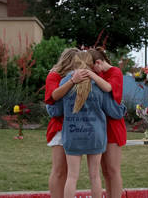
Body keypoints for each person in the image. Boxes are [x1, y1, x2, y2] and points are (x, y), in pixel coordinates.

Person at [47, 51, 127, 198]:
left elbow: (56, 110)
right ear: (91, 64)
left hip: (72, 134)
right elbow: (113, 111)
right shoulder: (98, 83)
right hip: (95, 134)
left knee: (71, 177)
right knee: (95, 177)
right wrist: (123, 109)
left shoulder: (65, 81)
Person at [45, 48, 89, 198]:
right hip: (59, 127)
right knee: (59, 170)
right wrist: (72, 81)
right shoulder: (54, 75)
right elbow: (52, 97)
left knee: (71, 173)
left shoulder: (80, 75)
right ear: (70, 61)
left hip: (76, 127)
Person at [88, 47, 125, 198]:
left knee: (113, 169)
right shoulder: (100, 73)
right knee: (104, 171)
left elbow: (108, 87)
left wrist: (91, 75)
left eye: (93, 68)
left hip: (113, 126)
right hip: (100, 126)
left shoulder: (115, 71)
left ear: (98, 62)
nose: (93, 71)